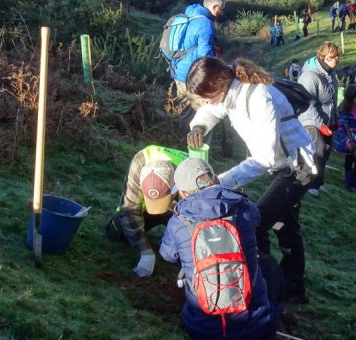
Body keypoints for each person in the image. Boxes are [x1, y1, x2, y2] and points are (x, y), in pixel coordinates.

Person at [185, 57, 317, 303]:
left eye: (205, 96)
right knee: (285, 227)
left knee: (255, 223)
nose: (203, 102)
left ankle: (264, 285)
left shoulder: (259, 98)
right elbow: (212, 110)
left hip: (298, 168)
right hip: (283, 165)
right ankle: (293, 289)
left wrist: (220, 181)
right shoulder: (230, 91)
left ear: (218, 84)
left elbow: (264, 158)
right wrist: (199, 126)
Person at [160, 158, 282, 339]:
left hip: (202, 328)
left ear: (184, 193)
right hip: (256, 325)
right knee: (270, 266)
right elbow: (255, 224)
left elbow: (168, 255)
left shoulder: (177, 222)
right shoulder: (245, 207)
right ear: (216, 179)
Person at [105, 145, 188, 277]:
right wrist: (146, 252)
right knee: (117, 231)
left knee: (183, 248)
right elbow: (129, 208)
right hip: (146, 211)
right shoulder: (140, 162)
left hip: (178, 209)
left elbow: (199, 216)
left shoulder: (190, 171)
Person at [297, 41, 341, 198]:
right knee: (318, 151)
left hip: (327, 120)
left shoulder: (331, 75)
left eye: (338, 56)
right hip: (310, 120)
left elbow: (333, 100)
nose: (337, 60)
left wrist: (335, 118)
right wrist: (320, 125)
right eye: (333, 57)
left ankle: (318, 182)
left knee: (326, 152)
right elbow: (307, 104)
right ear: (324, 57)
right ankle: (308, 184)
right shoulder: (309, 76)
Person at [172, 0, 225, 130]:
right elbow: (205, 56)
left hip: (178, 69)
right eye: (221, 9)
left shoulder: (190, 14)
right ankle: (198, 143)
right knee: (203, 112)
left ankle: (179, 139)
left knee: (184, 109)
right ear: (214, 6)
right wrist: (216, 57)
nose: (221, 13)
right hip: (193, 74)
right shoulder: (206, 23)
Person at [337, 85, 356, 192]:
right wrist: (347, 141)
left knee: (350, 161)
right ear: (351, 97)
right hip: (350, 141)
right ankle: (350, 184)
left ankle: (348, 182)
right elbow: (341, 127)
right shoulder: (345, 110)